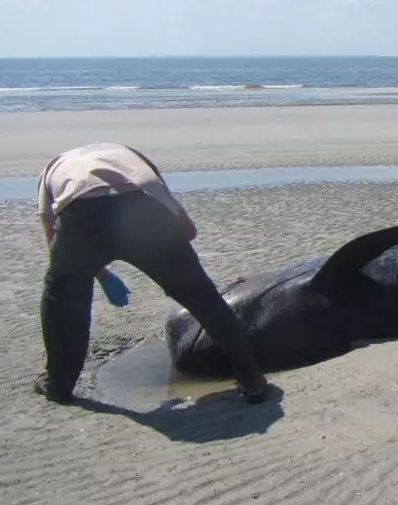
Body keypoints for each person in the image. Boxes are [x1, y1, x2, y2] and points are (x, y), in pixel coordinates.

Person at [34, 142, 269, 404]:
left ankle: (58, 385)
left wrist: (100, 274)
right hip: (143, 210)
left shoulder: (53, 170)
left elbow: (52, 234)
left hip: (81, 215)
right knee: (206, 301)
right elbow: (185, 226)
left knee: (61, 299)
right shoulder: (133, 158)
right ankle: (252, 380)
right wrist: (179, 264)